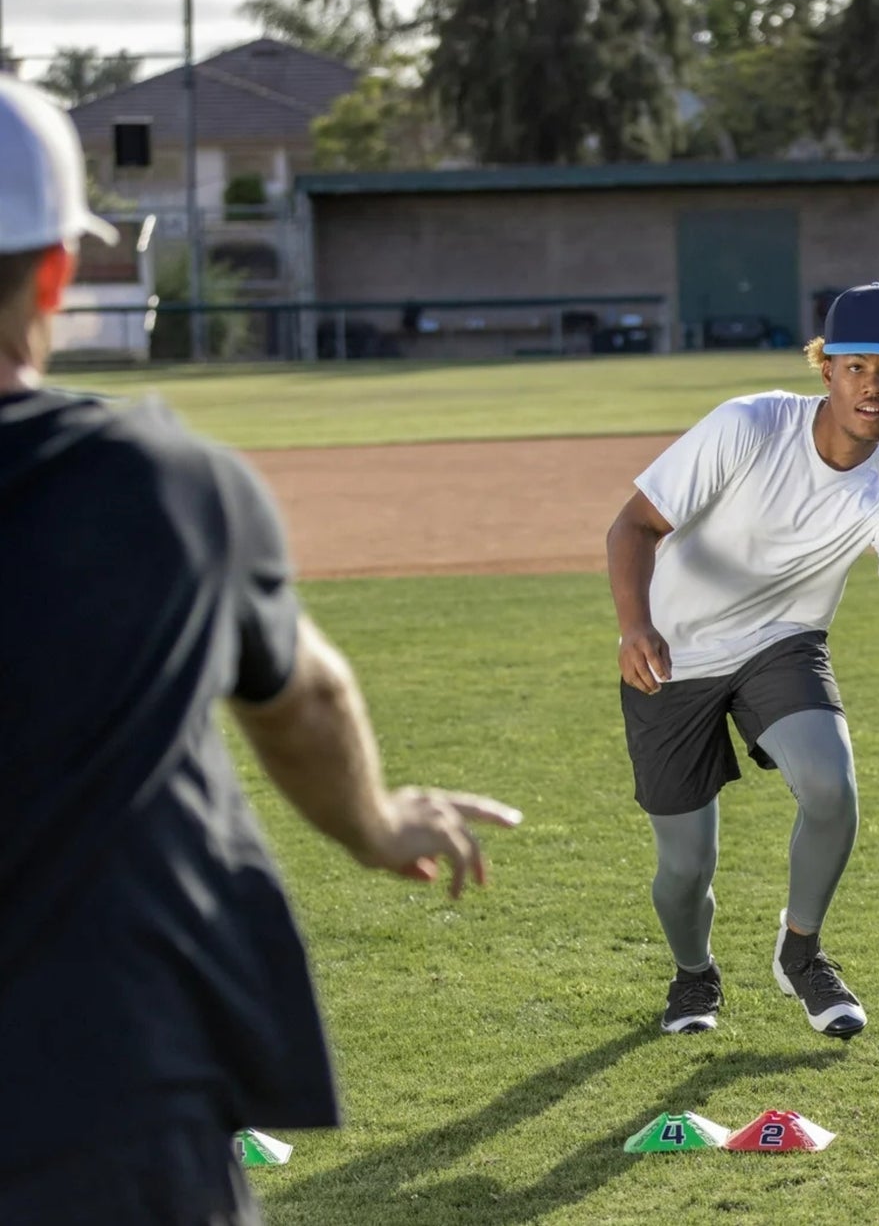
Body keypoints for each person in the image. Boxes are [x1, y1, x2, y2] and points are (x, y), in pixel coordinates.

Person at [0, 73, 522, 1225]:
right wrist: (376, 819)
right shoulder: (164, 487)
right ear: (52, 272)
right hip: (107, 1103)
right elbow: (308, 698)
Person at [606, 282, 879, 1040]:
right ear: (825, 368)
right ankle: (693, 971)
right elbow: (633, 525)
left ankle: (800, 951)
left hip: (781, 643)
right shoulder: (748, 425)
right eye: (856, 366)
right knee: (683, 871)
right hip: (674, 653)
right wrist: (634, 626)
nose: (874, 384)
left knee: (830, 785)